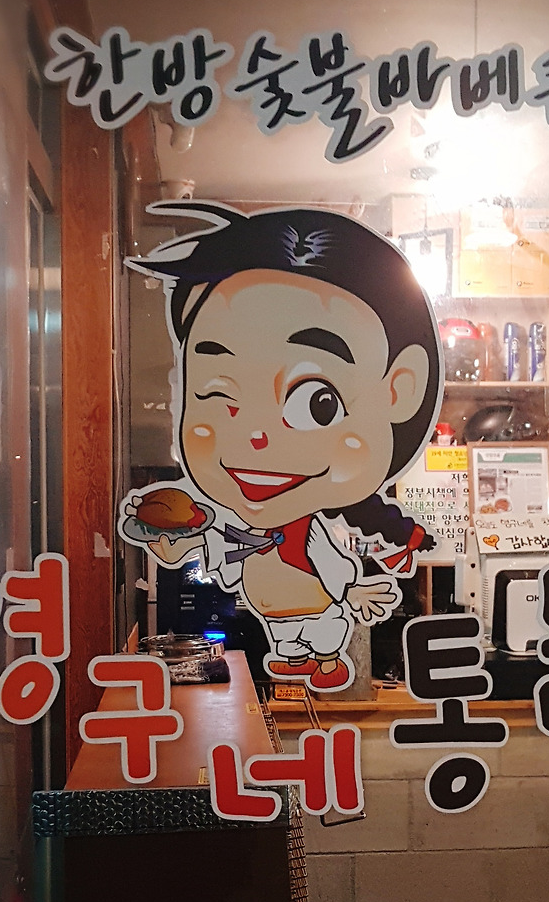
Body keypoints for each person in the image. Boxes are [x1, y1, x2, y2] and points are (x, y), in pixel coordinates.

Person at [120, 202, 441, 691]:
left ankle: (323, 657)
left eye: (317, 402)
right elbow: (209, 546)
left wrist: (354, 590)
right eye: (217, 393)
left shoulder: (311, 532)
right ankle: (296, 655)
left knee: (324, 631)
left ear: (399, 389)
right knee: (292, 641)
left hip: (319, 613)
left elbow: (330, 566)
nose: (257, 437)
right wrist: (171, 540)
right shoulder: (230, 523)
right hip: (275, 622)